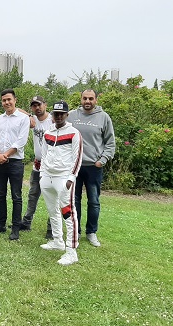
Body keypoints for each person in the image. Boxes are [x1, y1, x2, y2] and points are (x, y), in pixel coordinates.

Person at [68, 89, 115, 247]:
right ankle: (77, 231)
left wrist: (102, 160)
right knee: (74, 200)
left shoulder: (103, 117)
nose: (87, 101)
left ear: (96, 100)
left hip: (94, 167)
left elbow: (110, 142)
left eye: (90, 98)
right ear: (80, 99)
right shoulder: (72, 116)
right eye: (84, 98)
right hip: (75, 166)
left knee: (93, 201)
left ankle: (91, 232)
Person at [40, 101, 82, 266]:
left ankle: (71, 251)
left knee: (68, 213)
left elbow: (77, 157)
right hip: (47, 177)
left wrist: (71, 177)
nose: (58, 117)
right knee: (52, 211)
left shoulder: (74, 133)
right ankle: (57, 241)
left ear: (66, 115)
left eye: (61, 114)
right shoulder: (47, 133)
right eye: (55, 114)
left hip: (63, 177)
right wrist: (42, 174)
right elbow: (44, 154)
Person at [0, 89, 30, 240]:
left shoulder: (23, 119)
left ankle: (15, 227)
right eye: (4, 100)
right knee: (0, 194)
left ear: (15, 100)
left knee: (16, 196)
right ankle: (1, 224)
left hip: (14, 162)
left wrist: (5, 155)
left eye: (9, 100)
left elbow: (21, 141)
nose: (6, 102)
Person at [19, 96, 53, 238]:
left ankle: (52, 228)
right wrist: (29, 115)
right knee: (33, 194)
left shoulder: (52, 119)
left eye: (39, 105)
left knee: (52, 196)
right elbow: (16, 109)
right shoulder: (33, 120)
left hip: (51, 165)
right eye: (34, 105)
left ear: (45, 104)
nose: (37, 108)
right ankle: (26, 222)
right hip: (38, 164)